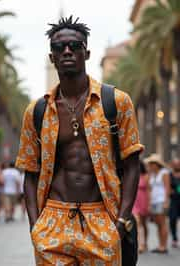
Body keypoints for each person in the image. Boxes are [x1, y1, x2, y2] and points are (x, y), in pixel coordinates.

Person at [16, 16, 143, 266]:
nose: (66, 51)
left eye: (74, 46)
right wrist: (35, 225)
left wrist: (121, 221)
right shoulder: (37, 111)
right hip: (53, 218)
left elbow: (132, 164)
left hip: (101, 217)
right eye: (58, 47)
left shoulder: (116, 102)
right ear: (52, 57)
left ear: (86, 53)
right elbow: (30, 172)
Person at [145, 154, 170, 254]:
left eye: (152, 163)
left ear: (157, 164)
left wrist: (166, 201)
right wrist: (149, 203)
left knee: (162, 223)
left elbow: (167, 188)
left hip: (161, 201)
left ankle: (164, 246)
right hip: (154, 201)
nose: (150, 165)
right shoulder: (152, 175)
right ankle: (160, 245)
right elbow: (149, 189)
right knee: (158, 224)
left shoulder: (164, 173)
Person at [132, 161, 149, 253]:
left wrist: (148, 204)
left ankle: (145, 242)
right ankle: (140, 245)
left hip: (143, 200)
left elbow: (149, 190)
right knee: (137, 223)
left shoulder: (145, 176)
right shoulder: (132, 174)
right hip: (134, 201)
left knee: (144, 224)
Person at [168, 158, 180, 248]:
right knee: (172, 219)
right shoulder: (170, 174)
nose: (177, 166)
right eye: (175, 164)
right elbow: (168, 187)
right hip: (174, 200)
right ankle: (174, 238)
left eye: (178, 164)